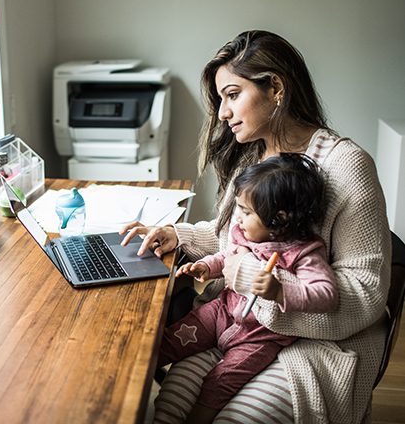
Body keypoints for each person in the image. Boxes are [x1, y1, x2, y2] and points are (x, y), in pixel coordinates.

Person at [120, 30, 391, 423]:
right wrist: (178, 235)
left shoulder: (346, 165)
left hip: (314, 346)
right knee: (169, 408)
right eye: (221, 100)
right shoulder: (255, 157)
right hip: (233, 322)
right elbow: (234, 235)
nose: (222, 113)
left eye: (232, 95)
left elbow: (365, 294)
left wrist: (260, 287)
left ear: (276, 87)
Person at [159, 153, 338, 424]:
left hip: (260, 338)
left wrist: (280, 291)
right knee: (171, 339)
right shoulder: (243, 233)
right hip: (222, 312)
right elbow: (226, 257)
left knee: (220, 382)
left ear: (279, 219)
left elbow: (326, 293)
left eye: (246, 212)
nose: (237, 218)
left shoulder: (304, 252)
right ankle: (128, 376)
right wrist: (207, 267)